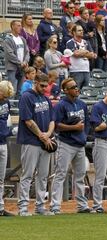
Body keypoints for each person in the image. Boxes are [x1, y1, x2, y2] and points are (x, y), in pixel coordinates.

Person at [49, 78, 90, 215]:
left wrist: (84, 135)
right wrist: (74, 127)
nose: (76, 89)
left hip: (79, 144)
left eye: (76, 86)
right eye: (72, 87)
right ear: (65, 90)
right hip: (66, 143)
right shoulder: (61, 105)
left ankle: (82, 205)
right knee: (60, 174)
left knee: (80, 175)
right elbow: (57, 125)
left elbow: (87, 124)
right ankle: (55, 205)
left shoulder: (82, 104)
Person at [17, 74, 56, 216]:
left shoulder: (45, 98)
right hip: (30, 141)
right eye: (42, 85)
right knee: (27, 175)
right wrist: (42, 136)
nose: (45, 88)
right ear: (35, 82)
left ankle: (40, 206)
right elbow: (28, 120)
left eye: (47, 86)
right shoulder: (26, 96)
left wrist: (48, 135)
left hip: (45, 142)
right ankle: (23, 207)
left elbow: (53, 120)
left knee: (43, 175)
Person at [0, 81, 15, 216]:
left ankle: (0, 208)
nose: (5, 98)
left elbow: (5, 121)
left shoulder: (6, 103)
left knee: (1, 178)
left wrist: (9, 132)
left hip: (3, 143)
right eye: (3, 95)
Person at [4, 20, 30, 96]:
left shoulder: (22, 39)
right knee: (12, 88)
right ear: (13, 26)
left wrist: (25, 61)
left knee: (20, 89)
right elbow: (9, 54)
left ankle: (18, 106)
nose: (20, 27)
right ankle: (11, 106)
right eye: (18, 26)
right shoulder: (8, 39)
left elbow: (27, 52)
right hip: (12, 67)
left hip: (22, 67)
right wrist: (20, 63)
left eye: (20, 26)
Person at [66, 25, 96, 89]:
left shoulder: (86, 42)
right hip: (75, 71)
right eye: (79, 30)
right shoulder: (70, 42)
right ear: (74, 32)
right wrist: (86, 52)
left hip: (86, 70)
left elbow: (92, 55)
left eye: (82, 30)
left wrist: (81, 52)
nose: (82, 32)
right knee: (76, 90)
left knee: (87, 90)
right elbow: (76, 54)